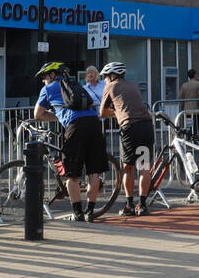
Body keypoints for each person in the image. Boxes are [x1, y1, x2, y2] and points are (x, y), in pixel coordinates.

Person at [33, 61, 106, 222]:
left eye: (44, 77)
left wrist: (59, 116)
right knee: (93, 172)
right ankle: (90, 212)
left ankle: (78, 213)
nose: (44, 80)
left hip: (76, 127)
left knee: (71, 175)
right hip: (94, 123)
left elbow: (37, 114)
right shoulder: (76, 85)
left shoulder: (48, 89)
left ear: (52, 75)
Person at [97, 62, 153, 216]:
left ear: (113, 75)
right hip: (146, 126)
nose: (105, 80)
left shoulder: (110, 86)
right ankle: (142, 206)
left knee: (128, 168)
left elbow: (102, 112)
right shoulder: (133, 85)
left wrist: (115, 112)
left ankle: (129, 205)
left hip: (130, 128)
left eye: (106, 77)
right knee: (144, 167)